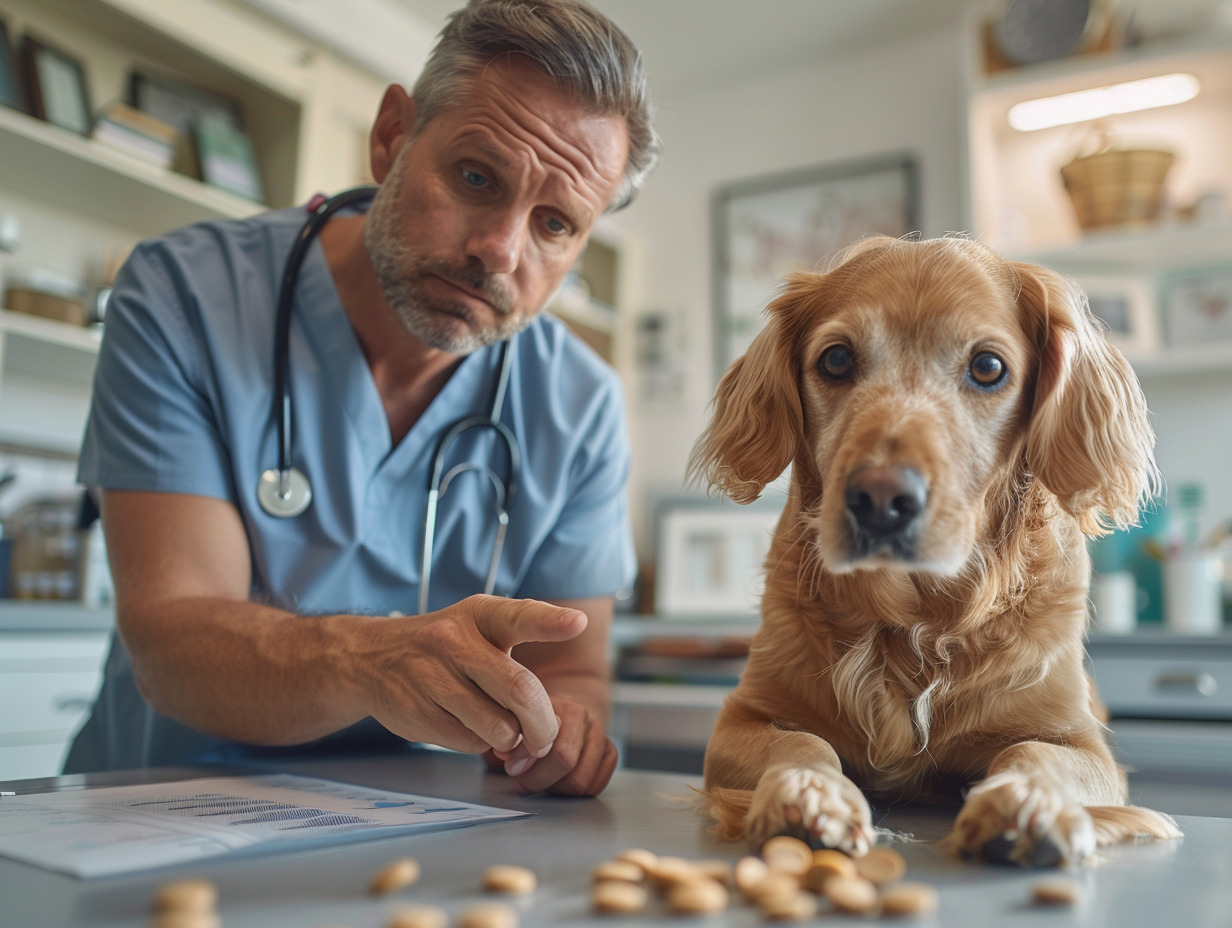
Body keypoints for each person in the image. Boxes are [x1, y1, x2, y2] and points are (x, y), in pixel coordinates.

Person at [63, 0, 660, 798]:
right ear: (391, 137)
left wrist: (566, 730)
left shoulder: (578, 404)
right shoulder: (184, 298)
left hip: (417, 836)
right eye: (476, 177)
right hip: (159, 809)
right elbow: (172, 643)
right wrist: (372, 661)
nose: (500, 250)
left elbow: (575, 667)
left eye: (555, 223)